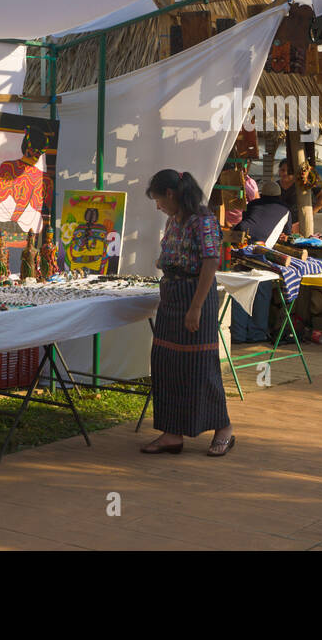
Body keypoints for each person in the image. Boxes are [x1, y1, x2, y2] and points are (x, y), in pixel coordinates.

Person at [141, 169, 235, 456]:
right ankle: (172, 433)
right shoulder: (174, 220)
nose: (157, 205)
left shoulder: (203, 220)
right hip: (172, 296)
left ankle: (223, 429)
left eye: (158, 199)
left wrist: (195, 309)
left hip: (196, 297)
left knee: (200, 367)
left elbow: (210, 262)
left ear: (171, 194)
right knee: (167, 362)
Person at [277, 158, 322, 232]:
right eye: (282, 170)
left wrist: (309, 215)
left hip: (302, 226)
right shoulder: (274, 186)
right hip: (280, 227)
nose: (285, 173)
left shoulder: (303, 184)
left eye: (289, 171)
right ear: (279, 171)